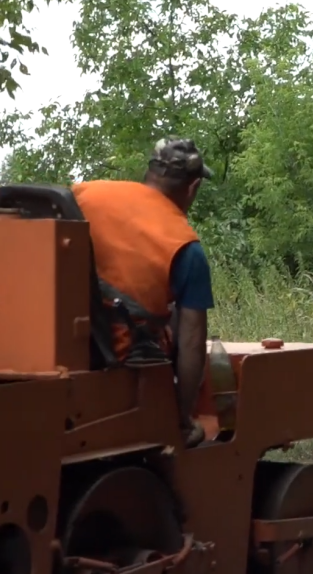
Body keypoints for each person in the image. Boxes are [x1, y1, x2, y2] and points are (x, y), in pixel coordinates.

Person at [72, 136, 215, 448]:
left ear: (149, 171)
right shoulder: (185, 247)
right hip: (118, 354)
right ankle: (172, 416)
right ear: (192, 188)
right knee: (182, 317)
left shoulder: (83, 194)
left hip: (63, 341)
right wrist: (183, 418)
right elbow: (191, 342)